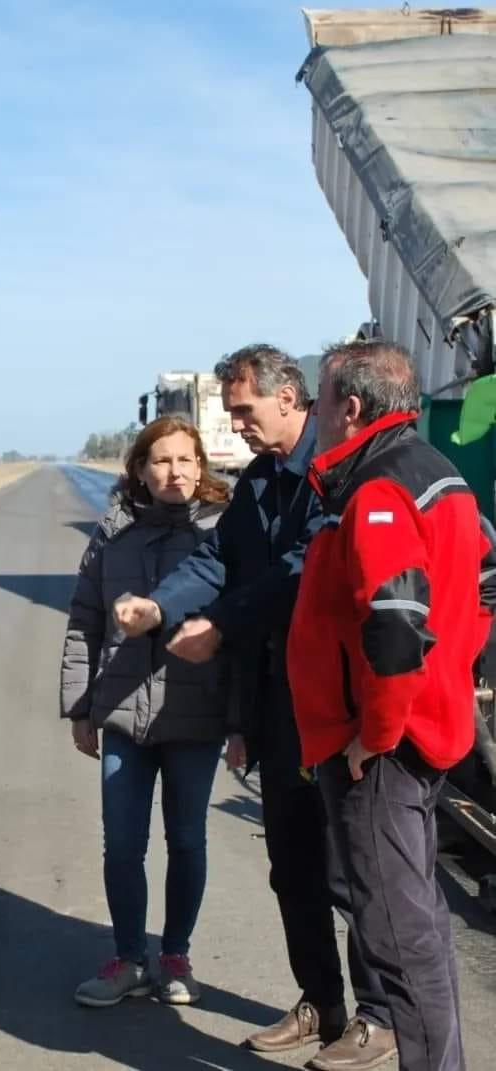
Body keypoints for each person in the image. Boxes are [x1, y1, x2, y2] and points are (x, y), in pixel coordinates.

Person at [114, 344, 395, 1068]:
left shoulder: (331, 472)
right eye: (232, 410)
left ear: (288, 398)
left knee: (348, 868)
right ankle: (319, 1002)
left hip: (333, 700)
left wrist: (223, 624)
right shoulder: (263, 477)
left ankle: (377, 1013)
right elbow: (219, 561)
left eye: (242, 409)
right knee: (291, 864)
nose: (233, 424)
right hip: (278, 700)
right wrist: (162, 605)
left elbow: (300, 569)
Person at [288, 340, 496, 1071]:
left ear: (348, 406)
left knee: (397, 937)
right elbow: (484, 581)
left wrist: (372, 733)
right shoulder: (438, 475)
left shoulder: (376, 490)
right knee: (418, 922)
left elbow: (395, 621)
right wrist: (452, 668)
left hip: (381, 748)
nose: (312, 413)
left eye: (316, 398)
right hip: (422, 729)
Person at [61, 417, 230, 1009]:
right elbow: (84, 620)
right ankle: (128, 957)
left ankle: (176, 954)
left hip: (196, 714)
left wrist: (239, 722)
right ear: (139, 469)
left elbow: (243, 625)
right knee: (123, 843)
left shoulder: (222, 531)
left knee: (186, 838)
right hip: (122, 713)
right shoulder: (113, 532)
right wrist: (80, 708)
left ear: (201, 467)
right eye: (161, 461)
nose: (175, 472)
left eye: (187, 460)